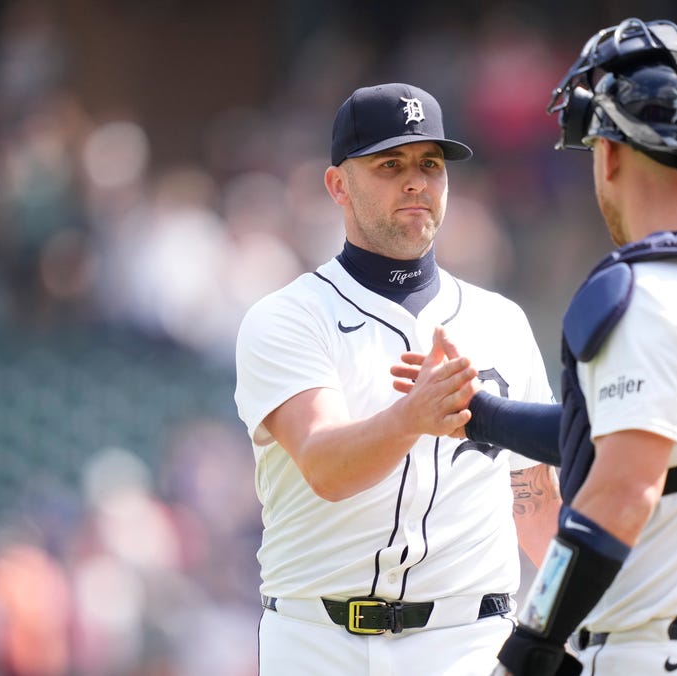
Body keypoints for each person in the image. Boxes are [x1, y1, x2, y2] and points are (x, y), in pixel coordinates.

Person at [394, 18, 677, 675]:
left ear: (610, 152)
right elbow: (639, 436)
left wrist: (528, 647)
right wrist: (481, 413)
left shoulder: (643, 292)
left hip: (667, 653)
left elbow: (619, 494)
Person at [232, 82, 561, 675]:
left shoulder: (500, 322)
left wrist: (592, 621)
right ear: (338, 185)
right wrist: (412, 417)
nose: (416, 181)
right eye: (390, 164)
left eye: (430, 165)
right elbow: (326, 467)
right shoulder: (287, 317)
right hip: (319, 641)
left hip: (470, 642)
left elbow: (535, 503)